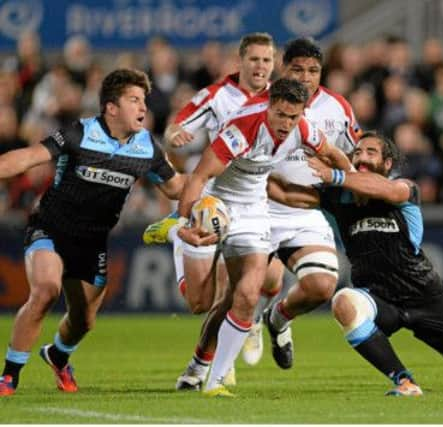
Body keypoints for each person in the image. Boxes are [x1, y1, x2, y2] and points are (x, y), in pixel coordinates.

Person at [267, 132, 443, 396]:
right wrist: (252, 173)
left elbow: (386, 190)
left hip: (423, 295)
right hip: (378, 296)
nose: (362, 156)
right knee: (343, 302)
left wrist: (335, 175)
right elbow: (288, 195)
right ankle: (404, 381)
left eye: (371, 152)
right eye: (358, 152)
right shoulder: (339, 198)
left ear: (387, 164)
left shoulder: (405, 188)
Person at [0, 68, 186, 396]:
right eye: (134, 100)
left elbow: (176, 188)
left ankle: (58, 356)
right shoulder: (80, 133)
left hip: (93, 241)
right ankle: (9, 377)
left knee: (83, 322)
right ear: (111, 108)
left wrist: (221, 177)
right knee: (45, 290)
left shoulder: (148, 149)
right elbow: (27, 158)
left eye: (143, 100)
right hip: (50, 228)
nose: (143, 107)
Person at [176, 78, 352, 397]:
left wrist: (348, 179)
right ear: (270, 106)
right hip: (219, 204)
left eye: (294, 116)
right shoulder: (241, 129)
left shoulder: (304, 129)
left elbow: (334, 153)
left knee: (247, 294)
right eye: (281, 115)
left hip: (256, 210)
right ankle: (196, 365)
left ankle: (214, 382)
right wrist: (185, 219)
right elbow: (199, 175)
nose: (287, 124)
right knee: (202, 302)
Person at [142, 32, 275, 390]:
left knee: (241, 289)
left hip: (253, 204)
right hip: (211, 198)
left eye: (266, 60)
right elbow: (176, 126)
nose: (260, 66)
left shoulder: (281, 102)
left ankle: (213, 364)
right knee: (201, 303)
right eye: (254, 59)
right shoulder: (217, 95)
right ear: (241, 61)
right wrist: (175, 136)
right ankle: (174, 229)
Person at [245, 37, 361, 369]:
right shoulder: (260, 103)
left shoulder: (338, 108)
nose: (306, 78)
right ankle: (212, 367)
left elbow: (353, 156)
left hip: (306, 211)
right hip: (259, 208)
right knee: (256, 283)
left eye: (313, 71)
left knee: (322, 286)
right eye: (297, 69)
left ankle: (276, 319)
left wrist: (348, 182)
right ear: (284, 69)